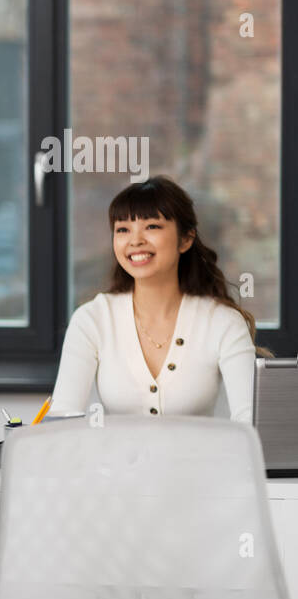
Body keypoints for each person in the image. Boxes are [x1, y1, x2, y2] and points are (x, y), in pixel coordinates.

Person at [51, 175, 260, 422]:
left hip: (199, 461)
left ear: (186, 239)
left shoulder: (223, 322)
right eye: (123, 230)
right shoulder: (91, 319)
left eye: (152, 226)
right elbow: (62, 417)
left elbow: (251, 423)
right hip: (113, 461)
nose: (135, 240)